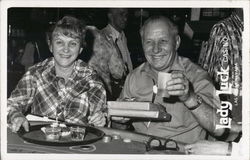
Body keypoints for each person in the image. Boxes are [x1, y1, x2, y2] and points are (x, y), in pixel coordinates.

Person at [118, 15, 227, 144]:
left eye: (163, 41)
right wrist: (119, 119)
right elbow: (120, 128)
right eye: (149, 42)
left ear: (176, 42)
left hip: (178, 152)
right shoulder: (134, 76)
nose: (156, 49)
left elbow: (220, 129)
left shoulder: (196, 76)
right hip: (139, 149)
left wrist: (189, 97)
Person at [7, 16, 107, 133]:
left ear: (80, 49)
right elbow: (11, 104)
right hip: (41, 142)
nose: (66, 49)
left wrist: (101, 118)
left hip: (77, 146)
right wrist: (15, 115)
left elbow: (101, 113)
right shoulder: (35, 73)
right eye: (59, 42)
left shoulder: (91, 78)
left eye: (73, 43)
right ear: (50, 46)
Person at [88, 8, 133, 100]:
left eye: (126, 15)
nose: (125, 19)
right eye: (121, 14)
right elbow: (118, 72)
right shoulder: (102, 36)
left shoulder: (123, 36)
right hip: (110, 93)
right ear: (110, 16)